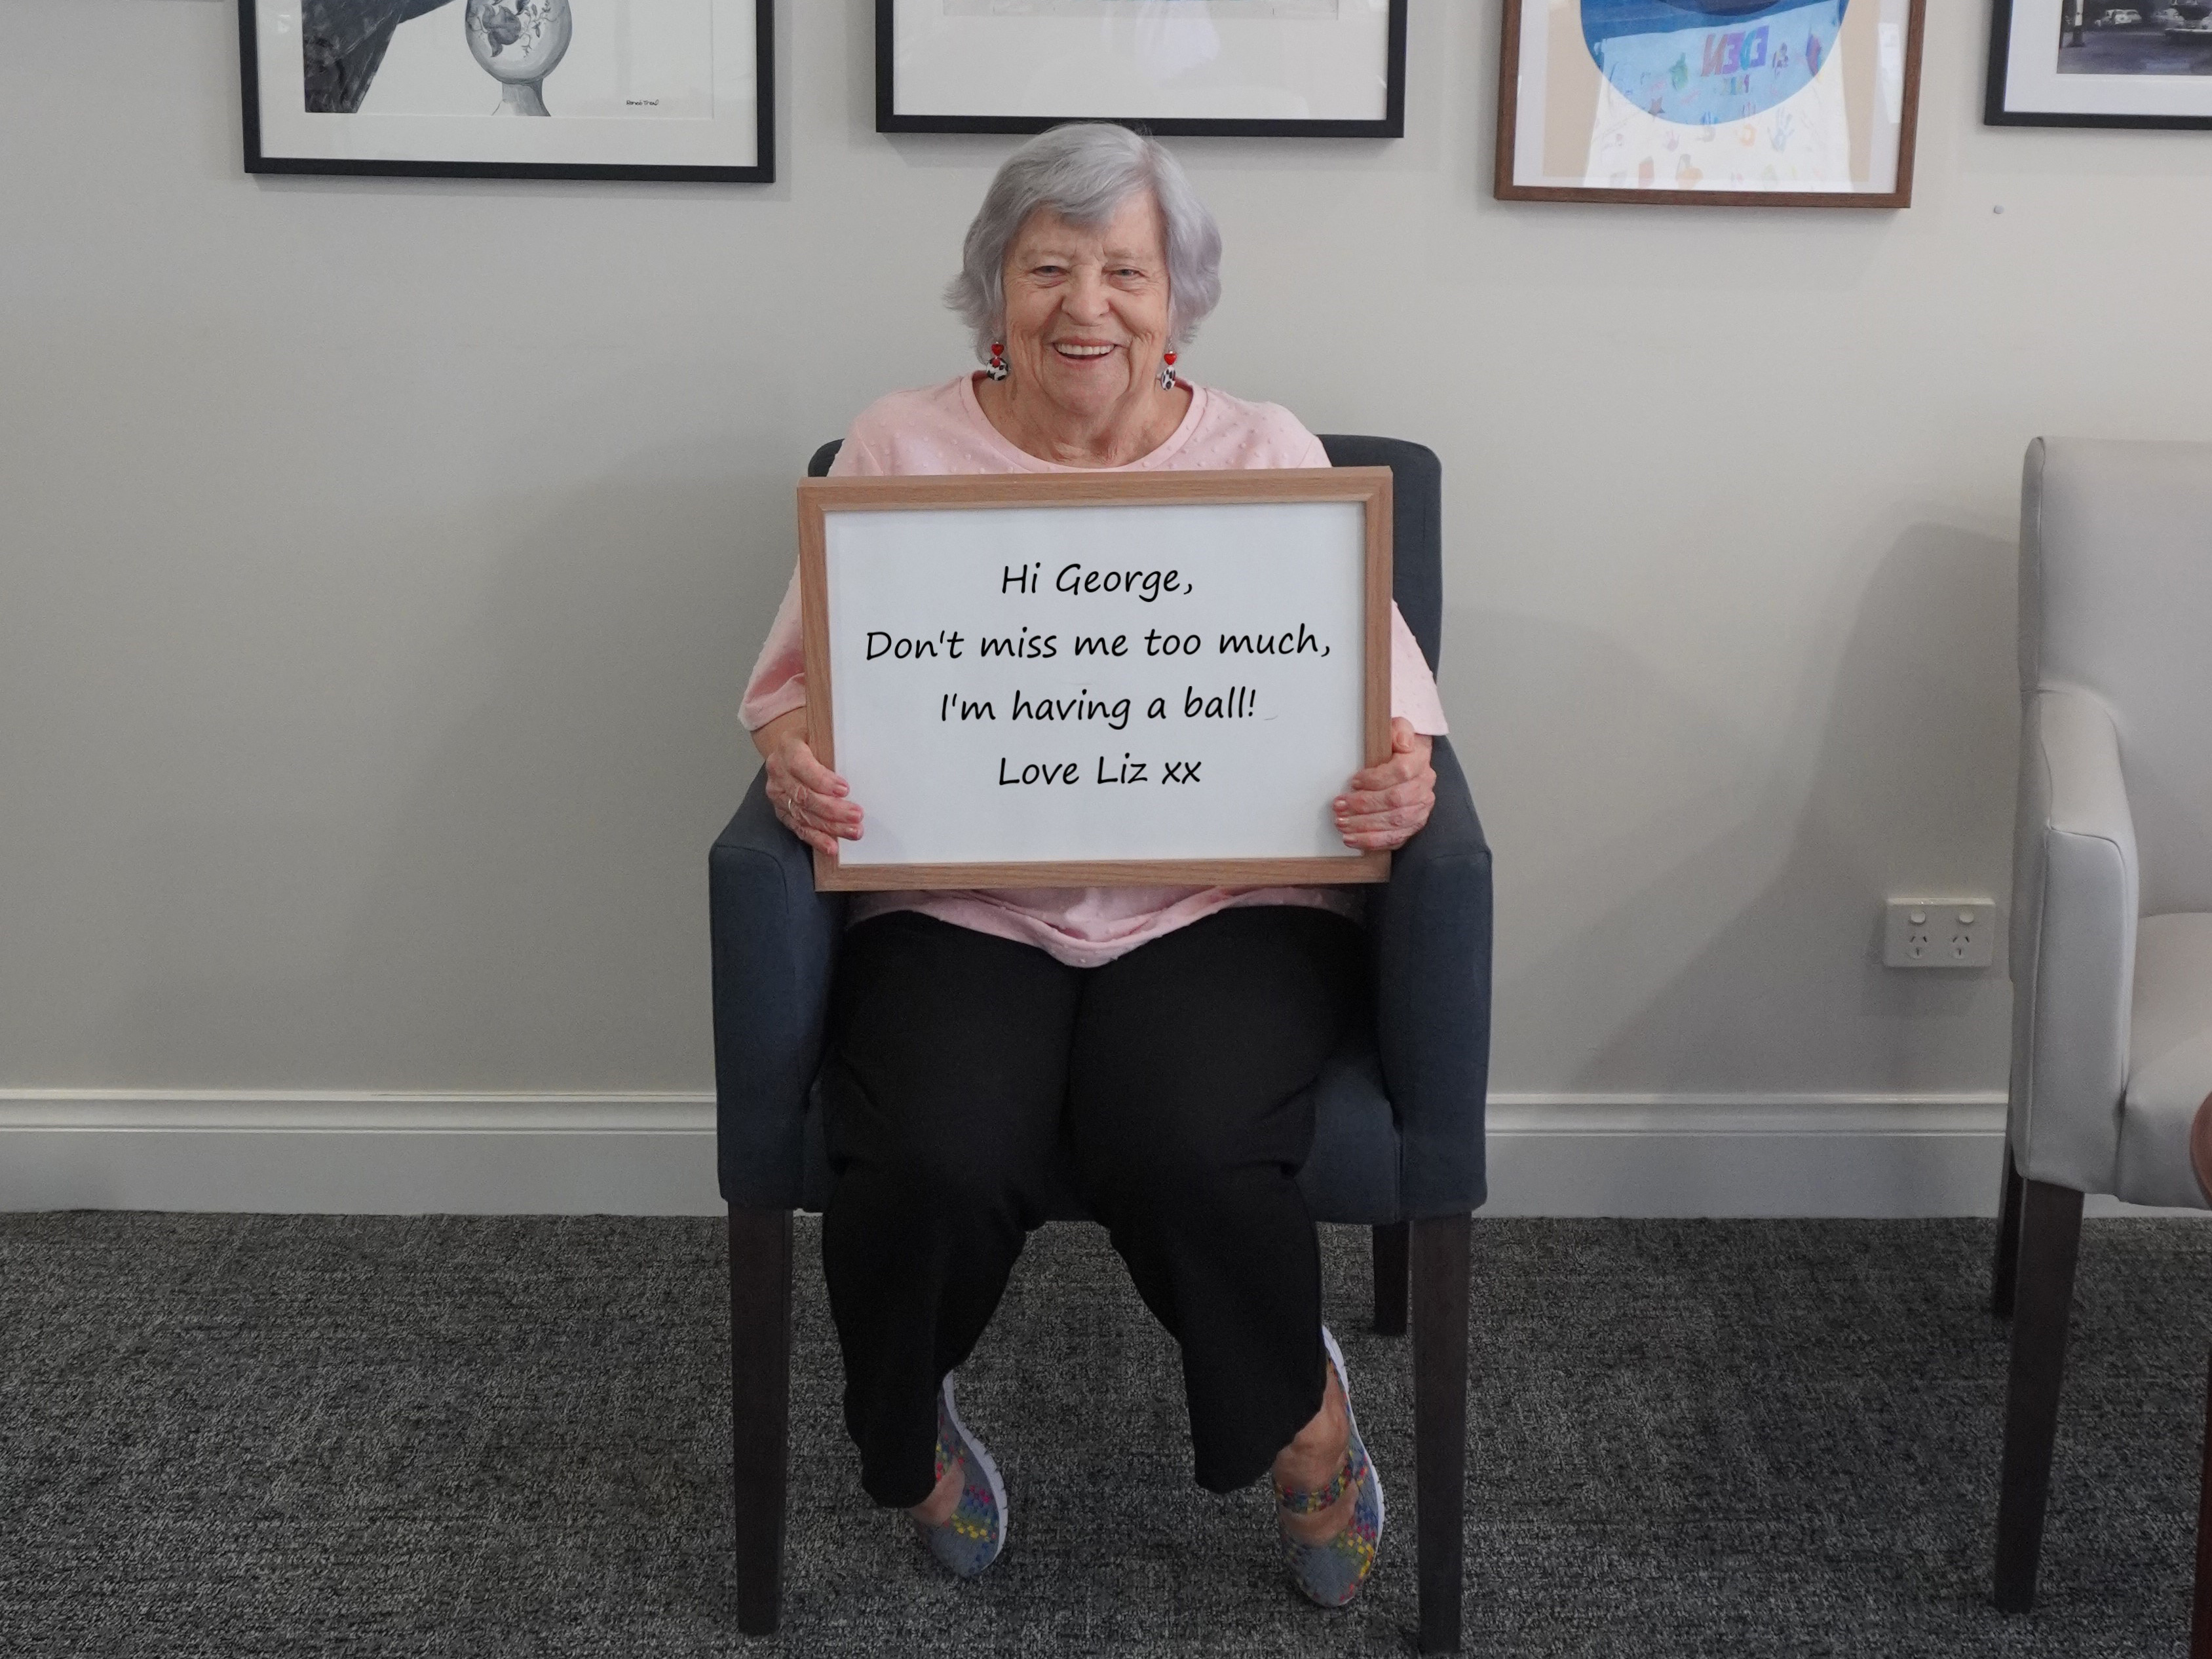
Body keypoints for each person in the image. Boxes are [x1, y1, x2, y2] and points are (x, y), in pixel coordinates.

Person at [740, 122, 1447, 1609]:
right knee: (932, 1152)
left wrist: (1398, 776)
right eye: (1045, 267)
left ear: (1175, 300)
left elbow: (1385, 711)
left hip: (1219, 904)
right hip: (962, 898)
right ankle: (911, 1432)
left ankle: (1303, 1416)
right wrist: (795, 752)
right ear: (991, 291)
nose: (1083, 306)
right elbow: (801, 688)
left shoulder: (1268, 455)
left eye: (1122, 271)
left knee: (1181, 1143)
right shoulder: (895, 447)